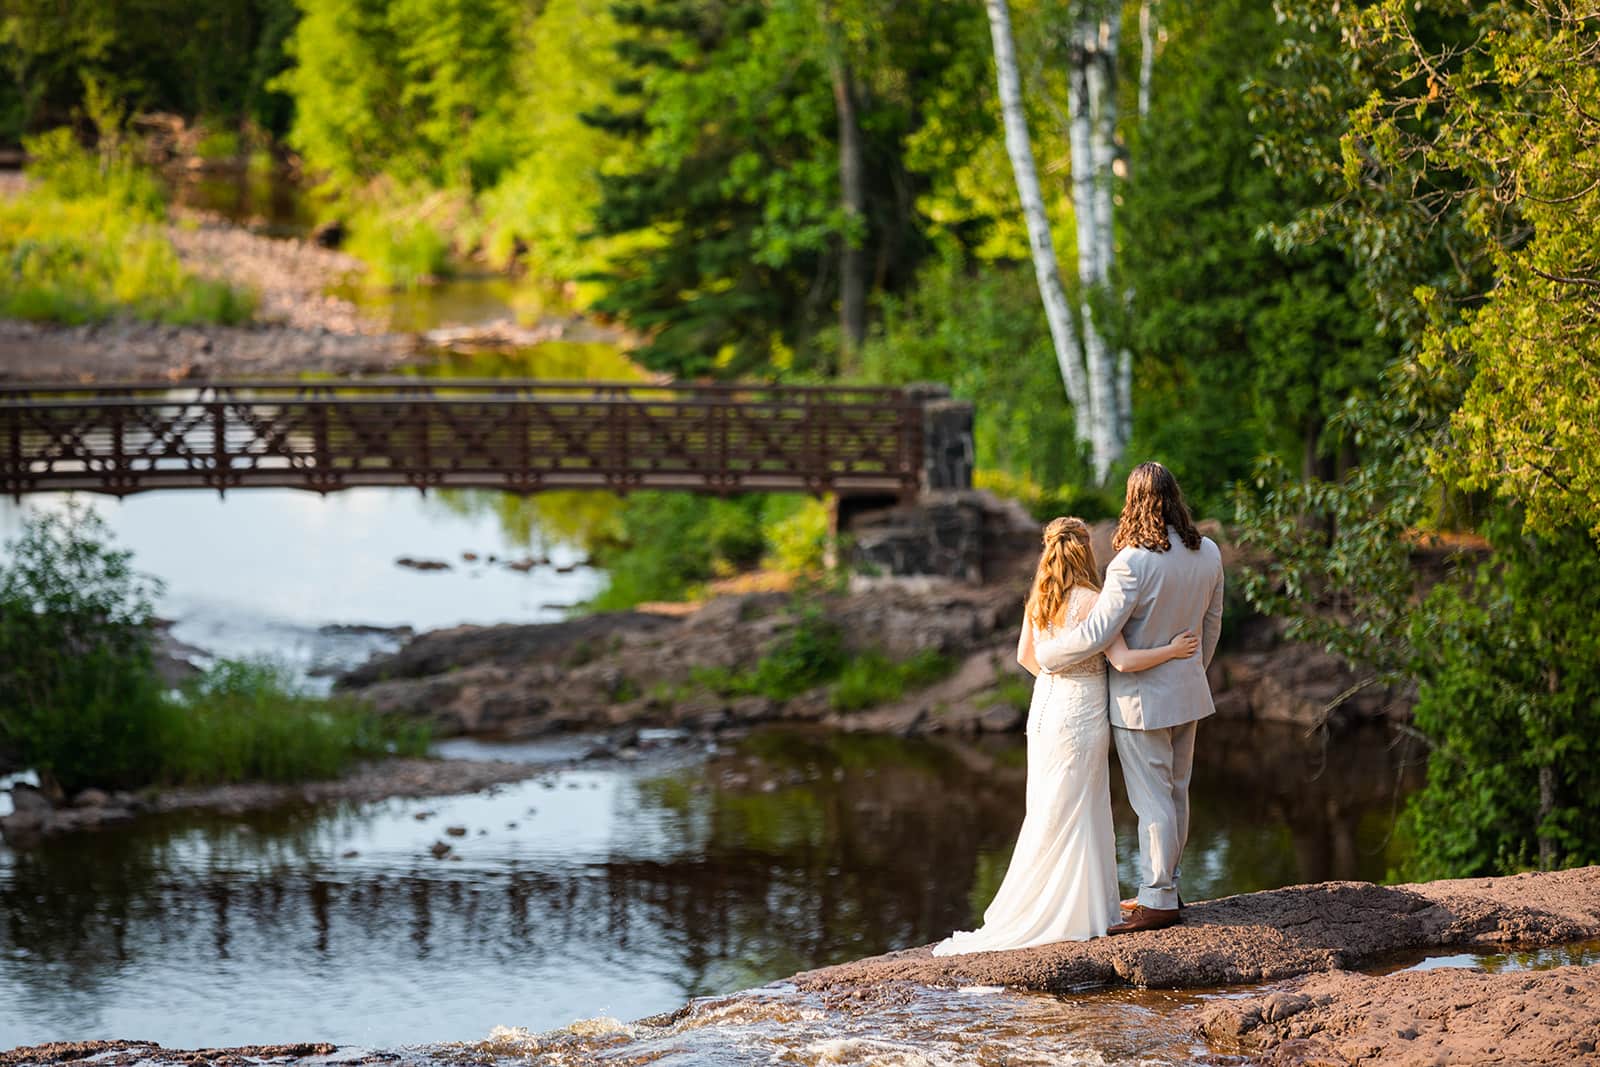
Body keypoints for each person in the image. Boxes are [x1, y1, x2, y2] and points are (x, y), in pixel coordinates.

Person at [931, 516, 1199, 955]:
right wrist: (1172, 650)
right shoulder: (1094, 600)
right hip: (1082, 714)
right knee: (1079, 806)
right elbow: (1124, 661)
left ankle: (1044, 904)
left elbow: (1026, 657)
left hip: (1046, 710)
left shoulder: (1039, 598)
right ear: (1085, 551)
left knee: (1046, 807)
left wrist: (1059, 679)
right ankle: (1079, 912)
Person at [1034, 462, 1224, 935]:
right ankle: (1169, 887)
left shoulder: (1131, 562)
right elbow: (1211, 624)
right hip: (1188, 691)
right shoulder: (1210, 554)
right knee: (1177, 791)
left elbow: (1100, 632)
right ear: (1175, 497)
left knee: (1152, 799)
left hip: (1140, 699)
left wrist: (1051, 653)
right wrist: (1192, 671)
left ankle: (1157, 900)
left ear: (1133, 500)